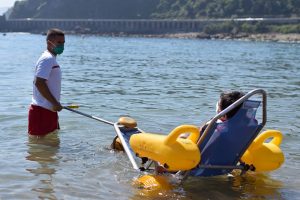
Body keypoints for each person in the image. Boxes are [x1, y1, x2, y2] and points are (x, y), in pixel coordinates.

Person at [28, 28, 65, 137]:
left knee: (51, 148)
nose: (62, 46)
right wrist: (55, 103)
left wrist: (55, 105)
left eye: (63, 43)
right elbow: (39, 82)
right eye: (59, 42)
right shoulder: (47, 59)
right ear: (49, 43)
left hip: (49, 110)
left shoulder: (51, 59)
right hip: (41, 111)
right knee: (40, 148)